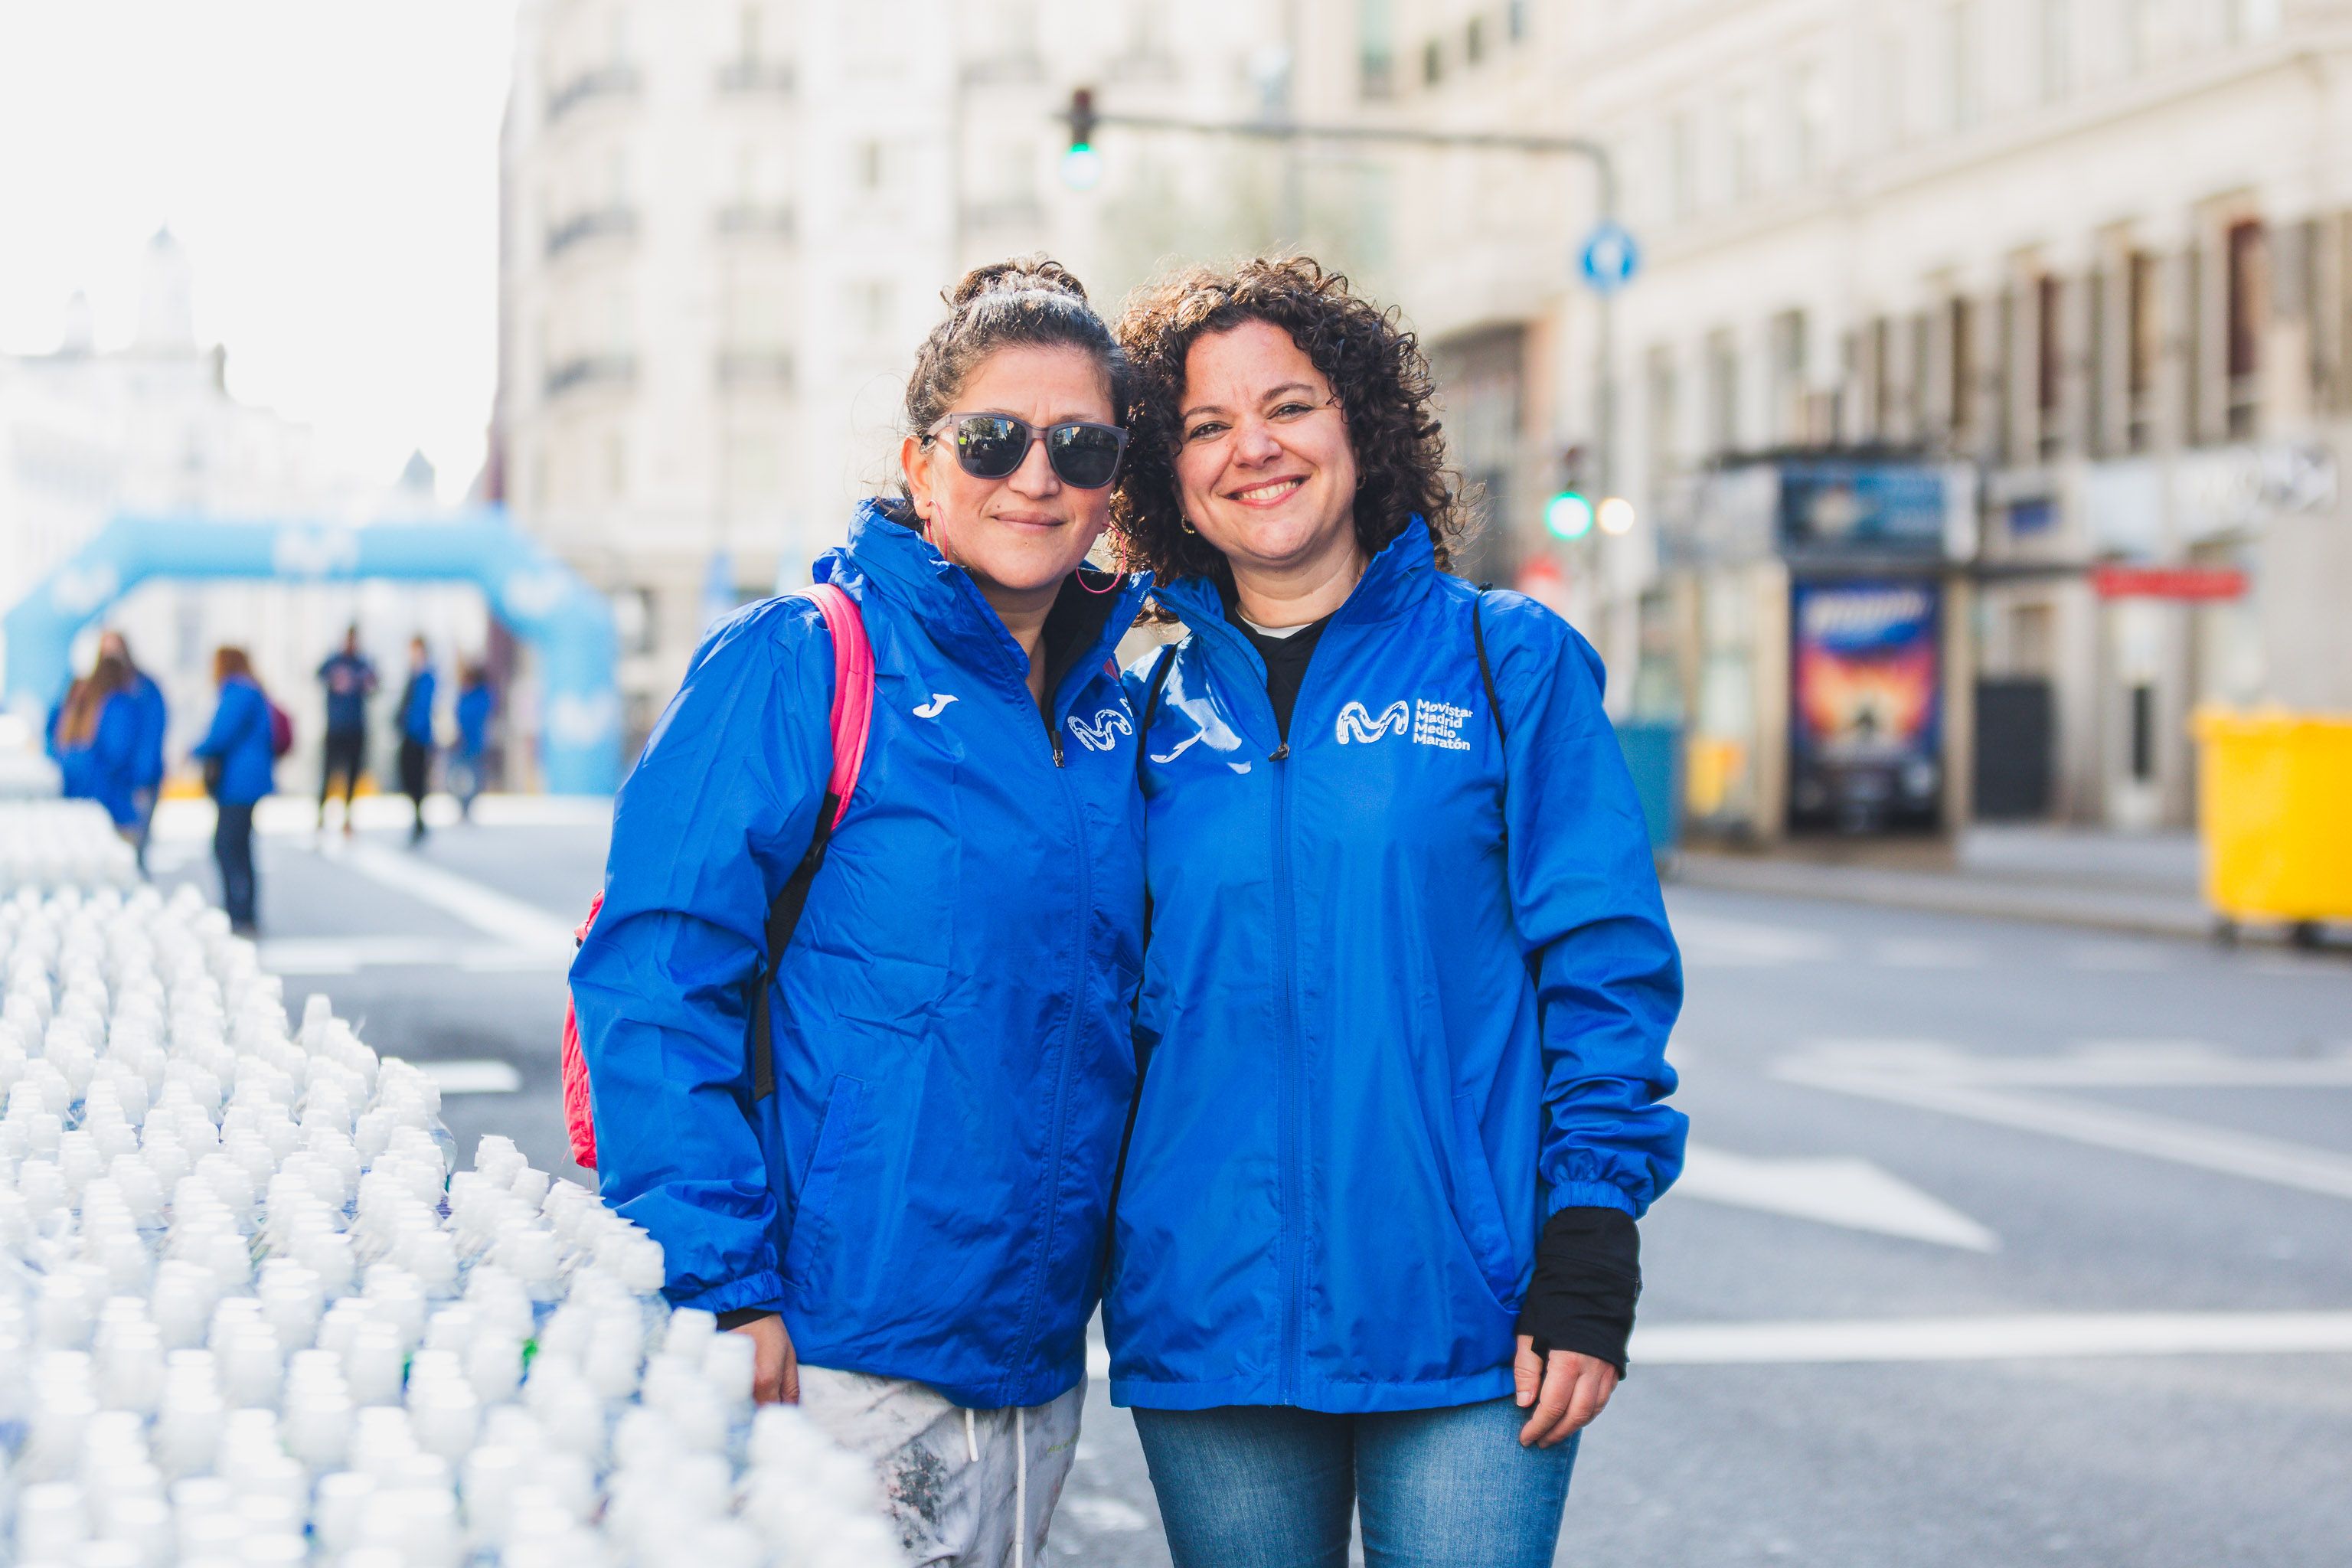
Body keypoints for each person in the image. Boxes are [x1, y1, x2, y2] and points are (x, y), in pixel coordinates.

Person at [1102, 256, 1687, 1568]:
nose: (1253, 448)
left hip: (1470, 1315)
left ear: (1360, 426)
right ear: (1168, 475)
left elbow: (1604, 966)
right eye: (1206, 425)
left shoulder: (1505, 659)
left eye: (1289, 406)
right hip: (1208, 1317)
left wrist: (1593, 1232)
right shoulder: (1136, 711)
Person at [572, 257, 1148, 1568]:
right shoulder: (797, 658)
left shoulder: (1112, 715)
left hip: (1033, 1367)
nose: (1036, 475)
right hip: (827, 1351)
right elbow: (652, 984)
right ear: (920, 462)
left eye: (1081, 445)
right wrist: (720, 1285)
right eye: (993, 438)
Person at [190, 646, 276, 935]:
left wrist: (194, 750)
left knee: (226, 846)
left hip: (239, 781)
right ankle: (244, 911)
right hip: (249, 778)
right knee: (240, 846)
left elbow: (221, 733)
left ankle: (237, 911)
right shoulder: (251, 690)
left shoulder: (238, 691)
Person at [52, 652, 143, 843]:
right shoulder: (120, 707)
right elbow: (118, 754)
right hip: (113, 802)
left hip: (84, 804)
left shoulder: (88, 712)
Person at [97, 631, 168, 874]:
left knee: (134, 853)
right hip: (108, 787)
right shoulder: (100, 689)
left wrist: (141, 779)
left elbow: (152, 736)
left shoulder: (143, 688)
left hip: (136, 785)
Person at [317, 626, 377, 836]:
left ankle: (348, 818)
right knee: (328, 774)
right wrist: (335, 679)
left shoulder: (362, 664)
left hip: (355, 728)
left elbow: (374, 685)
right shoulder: (334, 661)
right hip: (335, 728)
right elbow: (318, 675)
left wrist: (364, 682)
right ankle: (321, 816)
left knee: (353, 775)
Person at [394, 637, 437, 845]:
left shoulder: (426, 677)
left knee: (417, 779)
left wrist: (413, 726)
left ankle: (419, 820)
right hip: (408, 734)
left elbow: (423, 707)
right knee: (407, 777)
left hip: (419, 736)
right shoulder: (412, 675)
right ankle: (418, 819)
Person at [450, 663, 494, 821]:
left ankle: (468, 806)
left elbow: (474, 719)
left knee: (475, 777)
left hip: (474, 745)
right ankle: (461, 806)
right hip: (460, 744)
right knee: (456, 777)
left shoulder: (480, 697)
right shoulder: (463, 695)